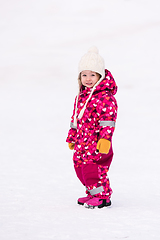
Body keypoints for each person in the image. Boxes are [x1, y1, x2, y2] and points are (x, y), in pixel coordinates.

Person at [66, 47, 118, 209]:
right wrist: (72, 136)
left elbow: (108, 120)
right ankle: (92, 192)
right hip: (82, 143)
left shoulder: (105, 97)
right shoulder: (81, 96)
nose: (88, 79)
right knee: (80, 169)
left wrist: (105, 139)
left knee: (94, 170)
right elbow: (76, 118)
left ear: (100, 76)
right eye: (84, 75)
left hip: (96, 143)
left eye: (92, 75)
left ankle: (103, 196)